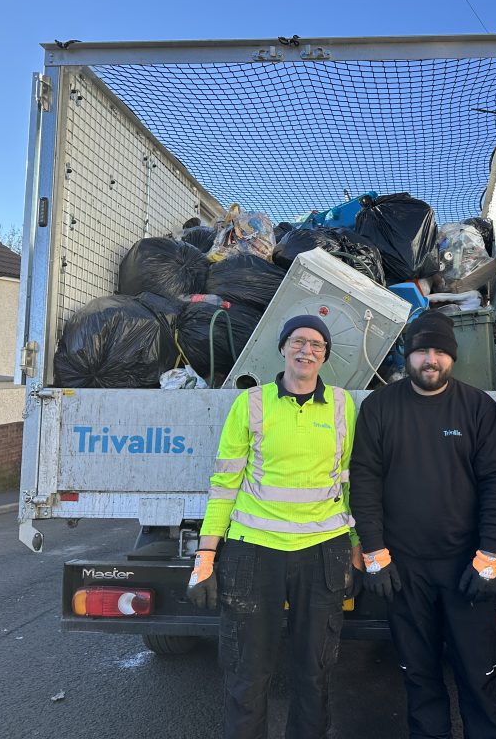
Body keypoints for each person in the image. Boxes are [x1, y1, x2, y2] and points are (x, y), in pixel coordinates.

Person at [186, 314, 363, 739]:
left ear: (325, 356)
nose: (307, 351)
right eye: (298, 342)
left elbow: (349, 480)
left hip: (323, 551)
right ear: (283, 348)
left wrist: (357, 545)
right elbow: (225, 482)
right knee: (248, 674)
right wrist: (206, 554)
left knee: (315, 673)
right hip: (254, 553)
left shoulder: (342, 405)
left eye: (317, 345)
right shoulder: (252, 403)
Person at [350, 311, 496, 739]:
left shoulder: (478, 408)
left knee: (479, 676)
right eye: (422, 349)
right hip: (403, 571)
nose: (431, 360)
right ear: (408, 354)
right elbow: (364, 482)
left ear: (452, 358)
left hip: (466, 568)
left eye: (440, 351)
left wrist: (489, 557)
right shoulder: (379, 408)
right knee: (419, 676)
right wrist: (375, 553)